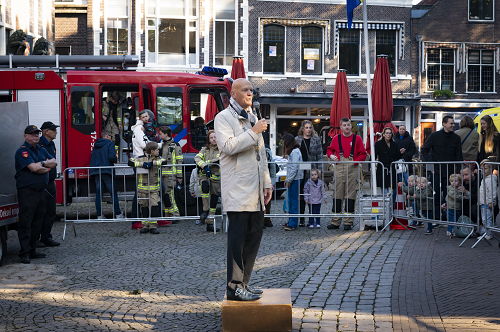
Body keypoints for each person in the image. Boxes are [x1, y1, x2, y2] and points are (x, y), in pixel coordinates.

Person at [214, 78, 272, 301]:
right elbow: (227, 147)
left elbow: (262, 154)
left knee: (253, 237)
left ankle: (243, 284)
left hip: (255, 190)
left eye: (251, 89)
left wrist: (266, 182)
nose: (250, 93)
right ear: (233, 94)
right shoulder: (223, 118)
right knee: (237, 241)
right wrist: (254, 131)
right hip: (238, 189)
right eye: (245, 90)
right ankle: (234, 286)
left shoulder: (252, 117)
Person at [15, 125, 57, 264]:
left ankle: (32, 250)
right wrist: (44, 166)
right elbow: (33, 168)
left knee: (37, 223)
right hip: (27, 193)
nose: (36, 136)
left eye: (37, 134)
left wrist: (42, 164)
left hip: (40, 192)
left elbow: (54, 162)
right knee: (26, 223)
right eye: (32, 134)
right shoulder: (23, 151)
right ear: (25, 136)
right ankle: (25, 253)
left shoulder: (41, 149)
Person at [326, 118, 367, 230]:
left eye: (348, 125)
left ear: (351, 126)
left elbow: (363, 154)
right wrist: (331, 156)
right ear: (341, 127)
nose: (347, 127)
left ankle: (348, 222)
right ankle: (335, 221)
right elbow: (329, 150)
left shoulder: (356, 138)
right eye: (344, 125)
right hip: (339, 167)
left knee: (350, 194)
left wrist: (355, 161)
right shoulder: (336, 138)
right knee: (337, 194)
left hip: (352, 167)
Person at [421, 115, 463, 219]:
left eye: (453, 123)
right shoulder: (434, 135)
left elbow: (459, 156)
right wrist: (430, 165)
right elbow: (424, 149)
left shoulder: (456, 138)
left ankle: (446, 217)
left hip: (450, 172)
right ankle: (436, 217)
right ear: (444, 124)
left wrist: (458, 172)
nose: (453, 125)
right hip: (436, 171)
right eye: (451, 123)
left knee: (449, 194)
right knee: (436, 194)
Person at [130, 110, 166, 229]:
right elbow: (145, 144)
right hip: (143, 161)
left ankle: (156, 218)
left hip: (146, 160)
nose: (148, 119)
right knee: (140, 193)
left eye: (148, 117)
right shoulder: (139, 129)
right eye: (145, 117)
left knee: (157, 188)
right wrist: (160, 145)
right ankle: (138, 220)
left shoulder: (142, 128)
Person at [128, 141, 167, 234]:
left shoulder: (158, 158)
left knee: (154, 206)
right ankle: (145, 226)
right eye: (157, 150)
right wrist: (143, 164)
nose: (159, 151)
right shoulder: (141, 158)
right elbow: (130, 162)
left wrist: (152, 163)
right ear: (152, 151)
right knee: (144, 207)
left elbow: (164, 161)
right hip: (142, 189)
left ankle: (153, 226)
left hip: (154, 188)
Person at [89, 130, 124, 220]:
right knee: (113, 193)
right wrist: (116, 159)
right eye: (111, 136)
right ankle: (118, 214)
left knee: (98, 194)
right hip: (106, 171)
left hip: (96, 171)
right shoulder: (109, 144)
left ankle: (99, 215)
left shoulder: (96, 145)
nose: (111, 138)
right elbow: (111, 157)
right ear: (107, 135)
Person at [295, 120, 324, 227]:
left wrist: (320, 169)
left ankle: (312, 219)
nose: (308, 130)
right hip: (300, 171)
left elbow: (320, 156)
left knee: (312, 195)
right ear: (303, 129)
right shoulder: (297, 139)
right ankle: (301, 218)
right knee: (302, 195)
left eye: (310, 127)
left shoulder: (316, 140)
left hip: (312, 171)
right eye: (306, 128)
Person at [37, 121, 60, 247]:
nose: (56, 132)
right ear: (46, 131)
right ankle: (36, 239)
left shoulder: (52, 144)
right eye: (53, 129)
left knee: (51, 212)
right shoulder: (39, 144)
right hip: (41, 183)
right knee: (40, 212)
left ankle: (46, 237)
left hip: (50, 182)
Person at [194, 130, 221, 232]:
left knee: (214, 200)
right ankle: (205, 210)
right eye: (211, 138)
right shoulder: (204, 149)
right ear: (208, 140)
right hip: (205, 175)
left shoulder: (221, 150)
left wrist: (206, 162)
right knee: (204, 187)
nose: (214, 139)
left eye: (215, 137)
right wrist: (205, 167)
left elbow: (220, 160)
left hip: (216, 178)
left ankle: (210, 224)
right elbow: (197, 158)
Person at [159, 125, 183, 226]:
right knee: (165, 196)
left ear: (166, 134)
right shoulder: (161, 145)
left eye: (160, 134)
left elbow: (179, 161)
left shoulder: (175, 145)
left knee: (169, 195)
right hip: (162, 175)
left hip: (170, 175)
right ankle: (168, 216)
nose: (159, 135)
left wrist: (179, 176)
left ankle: (175, 215)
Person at [282, 134, 303, 231]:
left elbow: (294, 167)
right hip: (294, 178)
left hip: (295, 179)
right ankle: (291, 221)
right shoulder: (295, 151)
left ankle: (293, 223)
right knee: (291, 200)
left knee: (293, 201)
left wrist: (289, 179)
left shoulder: (295, 152)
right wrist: (288, 179)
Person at [374, 127, 402, 198]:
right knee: (384, 188)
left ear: (392, 135)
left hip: (392, 168)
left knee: (394, 189)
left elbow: (396, 157)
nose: (388, 135)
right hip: (383, 168)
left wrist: (400, 153)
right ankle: (386, 206)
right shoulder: (378, 144)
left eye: (390, 133)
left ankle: (392, 205)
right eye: (387, 133)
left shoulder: (395, 145)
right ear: (383, 134)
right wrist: (371, 165)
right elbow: (373, 155)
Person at [479, 159, 497, 240]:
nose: (483, 170)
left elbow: (492, 192)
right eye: (482, 168)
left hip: (487, 203)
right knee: (484, 219)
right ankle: (486, 233)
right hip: (483, 202)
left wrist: (491, 202)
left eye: (485, 168)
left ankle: (488, 234)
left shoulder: (490, 179)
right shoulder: (485, 178)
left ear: (490, 168)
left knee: (487, 219)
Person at [264, 144, 276, 228]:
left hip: (269, 182)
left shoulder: (271, 160)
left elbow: (273, 174)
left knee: (268, 202)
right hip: (259, 182)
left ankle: (267, 219)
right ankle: (260, 220)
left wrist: (270, 186)